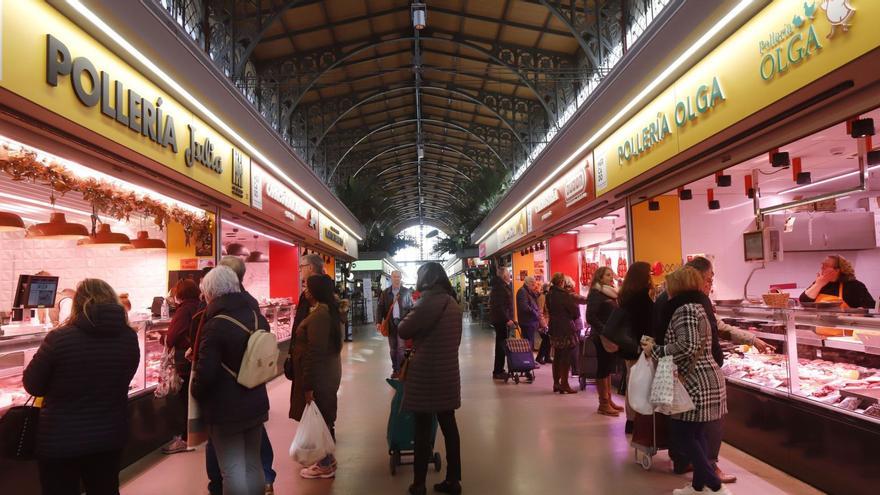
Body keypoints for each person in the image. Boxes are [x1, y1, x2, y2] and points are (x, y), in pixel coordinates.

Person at [653, 256, 767, 483]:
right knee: (695, 429)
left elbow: (694, 340)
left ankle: (701, 472)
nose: (710, 283)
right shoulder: (691, 304)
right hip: (691, 375)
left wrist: (655, 351)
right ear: (692, 279)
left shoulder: (681, 304)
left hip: (687, 374)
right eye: (708, 278)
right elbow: (691, 343)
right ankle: (704, 474)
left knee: (688, 428)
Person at [23, 278, 139, 495]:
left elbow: (33, 385)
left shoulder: (59, 338)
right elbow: (126, 375)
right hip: (110, 435)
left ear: (78, 303)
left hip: (61, 439)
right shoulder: (129, 337)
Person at [642, 267, 730, 495]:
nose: (665, 288)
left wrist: (656, 350)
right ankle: (698, 487)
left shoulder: (685, 310)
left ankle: (714, 484)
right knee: (697, 433)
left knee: (682, 434)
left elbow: (687, 347)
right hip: (703, 378)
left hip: (695, 382)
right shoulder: (697, 306)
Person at [192, 266, 271, 495]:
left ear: (211, 292)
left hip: (226, 410)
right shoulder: (257, 316)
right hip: (256, 400)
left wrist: (196, 391)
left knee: (232, 469)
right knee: (253, 463)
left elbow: (206, 375)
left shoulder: (215, 325)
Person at [397, 262, 463, 495]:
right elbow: (456, 340)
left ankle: (418, 484)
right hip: (448, 373)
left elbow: (403, 330)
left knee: (422, 431)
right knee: (450, 428)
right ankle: (454, 481)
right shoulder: (453, 303)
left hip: (425, 375)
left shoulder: (426, 302)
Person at [289, 275, 343, 479]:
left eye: (307, 286)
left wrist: (308, 385)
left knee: (321, 417)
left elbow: (315, 352)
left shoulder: (320, 315)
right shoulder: (326, 311)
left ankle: (325, 464)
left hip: (319, 377)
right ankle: (327, 459)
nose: (304, 290)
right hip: (326, 374)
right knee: (323, 417)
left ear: (315, 291)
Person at [162, 279, 201, 455]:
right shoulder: (200, 306)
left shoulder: (183, 310)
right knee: (191, 399)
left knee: (184, 400)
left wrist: (161, 338)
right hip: (195, 360)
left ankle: (186, 439)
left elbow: (171, 338)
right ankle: (195, 434)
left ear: (179, 294)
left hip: (184, 362)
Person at [616, 261, 654, 433]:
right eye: (649, 274)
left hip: (628, 347)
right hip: (639, 349)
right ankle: (635, 421)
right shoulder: (641, 299)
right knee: (639, 385)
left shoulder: (626, 296)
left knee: (632, 382)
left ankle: (631, 420)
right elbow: (645, 326)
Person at [587, 266, 623, 416]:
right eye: (607, 275)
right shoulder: (596, 294)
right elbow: (590, 317)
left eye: (611, 274)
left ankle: (608, 399)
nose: (611, 277)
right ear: (600, 277)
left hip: (610, 335)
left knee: (608, 367)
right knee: (603, 367)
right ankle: (603, 403)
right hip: (601, 336)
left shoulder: (610, 292)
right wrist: (605, 330)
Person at [546, 273, 581, 394]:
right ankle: (565, 384)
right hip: (566, 328)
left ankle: (556, 383)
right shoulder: (565, 295)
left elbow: (549, 309)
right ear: (562, 282)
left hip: (554, 327)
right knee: (566, 356)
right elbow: (575, 312)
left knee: (557, 355)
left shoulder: (549, 294)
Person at [376, 270, 415, 378]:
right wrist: (378, 322)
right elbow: (380, 308)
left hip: (403, 323)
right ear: (391, 278)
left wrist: (411, 322)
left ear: (400, 278)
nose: (396, 279)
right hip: (390, 324)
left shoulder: (407, 292)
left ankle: (402, 370)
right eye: (394, 277)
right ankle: (395, 369)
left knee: (401, 348)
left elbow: (412, 308)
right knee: (393, 349)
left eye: (398, 277)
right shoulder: (385, 293)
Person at [799, 254, 875, 309]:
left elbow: (870, 306)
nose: (822, 268)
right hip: (821, 327)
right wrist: (818, 284)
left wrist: (856, 313)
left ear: (837, 270)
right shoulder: (820, 282)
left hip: (844, 328)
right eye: (822, 265)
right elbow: (803, 301)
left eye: (826, 266)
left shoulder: (855, 285)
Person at [489, 266, 514, 380]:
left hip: (500, 319)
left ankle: (499, 369)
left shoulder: (500, 286)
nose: (509, 275)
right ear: (504, 275)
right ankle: (498, 371)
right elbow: (499, 306)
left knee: (501, 344)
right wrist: (507, 319)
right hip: (501, 321)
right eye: (508, 273)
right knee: (501, 345)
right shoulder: (500, 288)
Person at [515, 275, 542, 355]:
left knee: (530, 342)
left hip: (529, 321)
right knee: (528, 342)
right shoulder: (522, 291)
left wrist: (539, 291)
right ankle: (528, 361)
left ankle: (529, 360)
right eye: (533, 284)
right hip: (527, 321)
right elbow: (524, 307)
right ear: (529, 283)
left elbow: (534, 298)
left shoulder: (527, 291)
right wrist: (535, 312)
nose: (534, 286)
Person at [535, 283, 553, 364]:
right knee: (546, 339)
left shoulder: (547, 297)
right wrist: (543, 324)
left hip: (547, 321)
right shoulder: (542, 297)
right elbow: (540, 311)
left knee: (548, 339)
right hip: (543, 322)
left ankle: (547, 357)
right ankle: (539, 357)